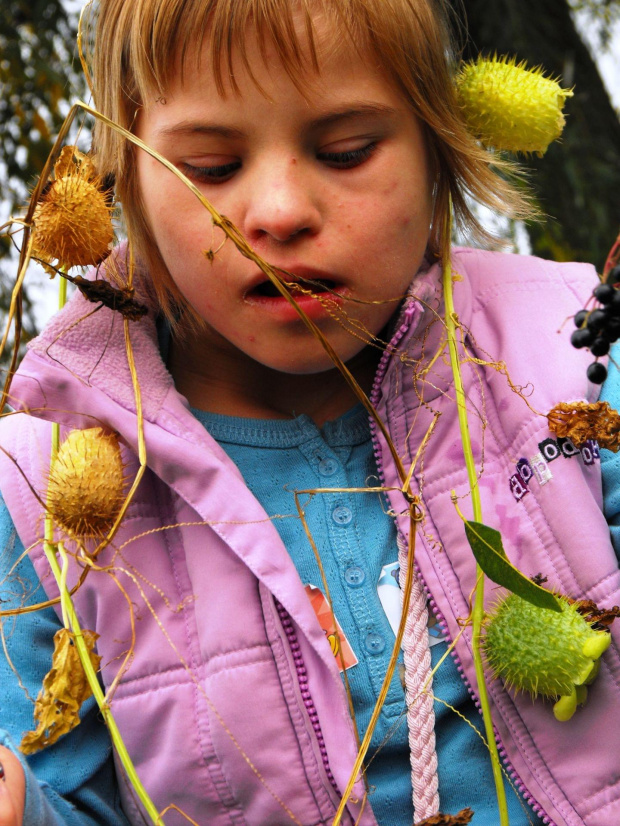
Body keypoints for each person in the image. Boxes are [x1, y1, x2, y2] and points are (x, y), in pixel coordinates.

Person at [0, 0, 619, 824]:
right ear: (129, 182)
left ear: (441, 140)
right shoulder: (38, 498)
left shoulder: (575, 361)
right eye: (212, 167)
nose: (280, 210)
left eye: (346, 151)